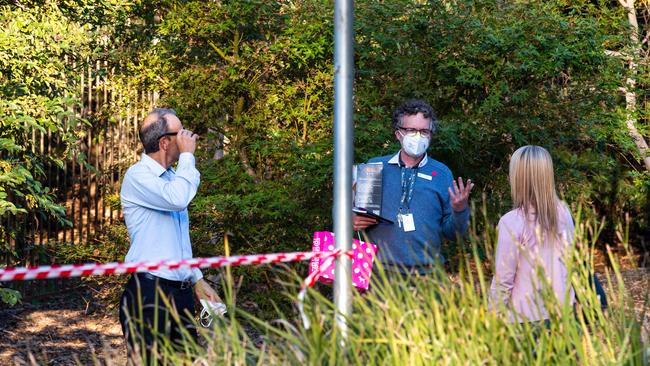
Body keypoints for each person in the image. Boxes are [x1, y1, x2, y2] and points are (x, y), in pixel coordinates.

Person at [118, 108, 221, 362]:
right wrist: (188, 157)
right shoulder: (138, 176)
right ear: (165, 142)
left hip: (180, 294)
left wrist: (196, 279)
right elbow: (178, 199)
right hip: (149, 294)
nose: (189, 137)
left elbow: (177, 242)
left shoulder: (174, 178)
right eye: (181, 132)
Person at [353, 100, 474, 276]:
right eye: (411, 130)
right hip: (380, 275)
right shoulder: (375, 167)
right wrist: (351, 218)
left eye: (424, 131)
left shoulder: (441, 174)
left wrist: (460, 210)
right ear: (398, 134)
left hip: (428, 275)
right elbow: (353, 212)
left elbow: (454, 234)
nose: (418, 136)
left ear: (431, 135)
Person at [489, 145, 575, 322]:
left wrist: (493, 318)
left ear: (518, 178)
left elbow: (503, 281)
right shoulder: (564, 213)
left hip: (525, 322)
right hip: (563, 314)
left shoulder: (511, 221)